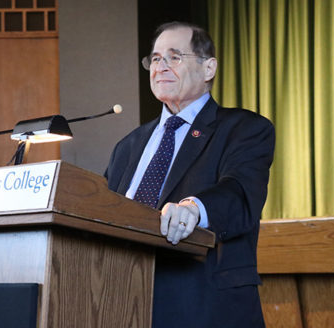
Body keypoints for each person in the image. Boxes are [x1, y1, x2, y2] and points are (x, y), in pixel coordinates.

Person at [105, 21, 275, 328]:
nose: (161, 67)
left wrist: (194, 209)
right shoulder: (128, 146)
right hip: (123, 302)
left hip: (204, 305)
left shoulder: (243, 129)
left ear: (209, 68)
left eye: (174, 57)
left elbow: (239, 193)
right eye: (155, 59)